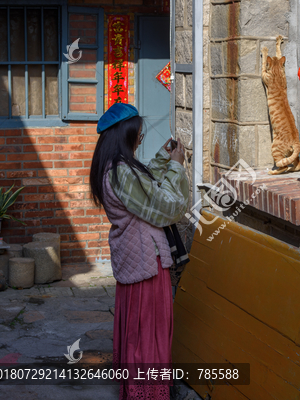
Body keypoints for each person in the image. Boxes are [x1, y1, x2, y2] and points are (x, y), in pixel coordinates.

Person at [89, 103, 188, 399]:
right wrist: (177, 165)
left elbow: (145, 186)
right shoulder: (121, 172)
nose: (139, 140)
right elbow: (165, 207)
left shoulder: (113, 167)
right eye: (138, 135)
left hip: (133, 258)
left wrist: (162, 158)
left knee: (135, 330)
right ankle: (148, 393)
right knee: (149, 332)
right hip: (146, 260)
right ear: (125, 135)